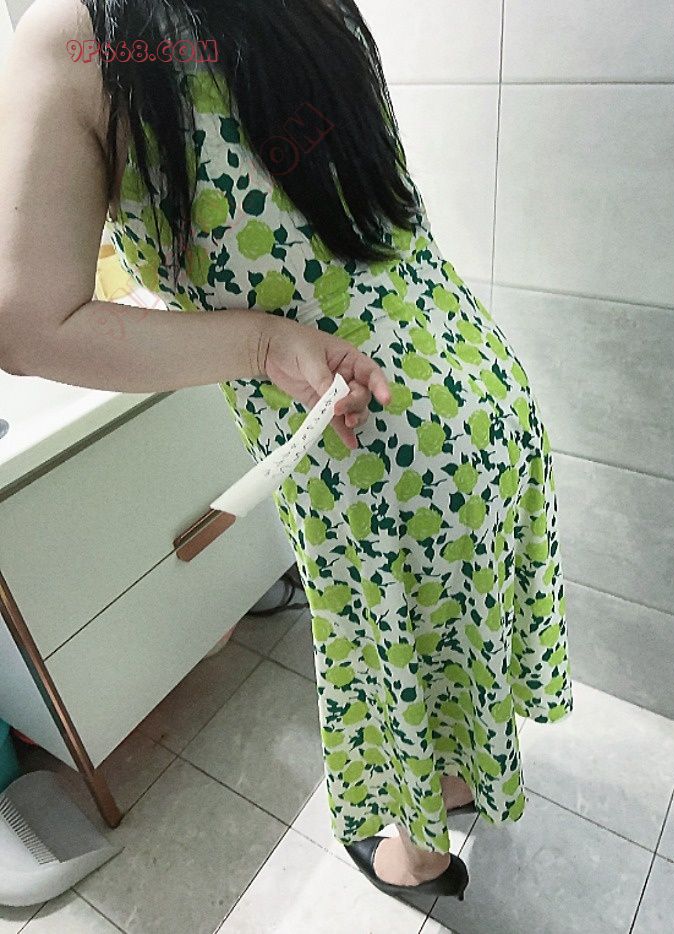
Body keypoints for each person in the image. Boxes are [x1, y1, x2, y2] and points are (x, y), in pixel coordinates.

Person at [0, 0, 573, 903]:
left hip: (363, 440)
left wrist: (263, 343)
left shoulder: (76, 34)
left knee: (387, 653)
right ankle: (458, 781)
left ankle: (420, 859)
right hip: (480, 386)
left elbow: (28, 327)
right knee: (456, 620)